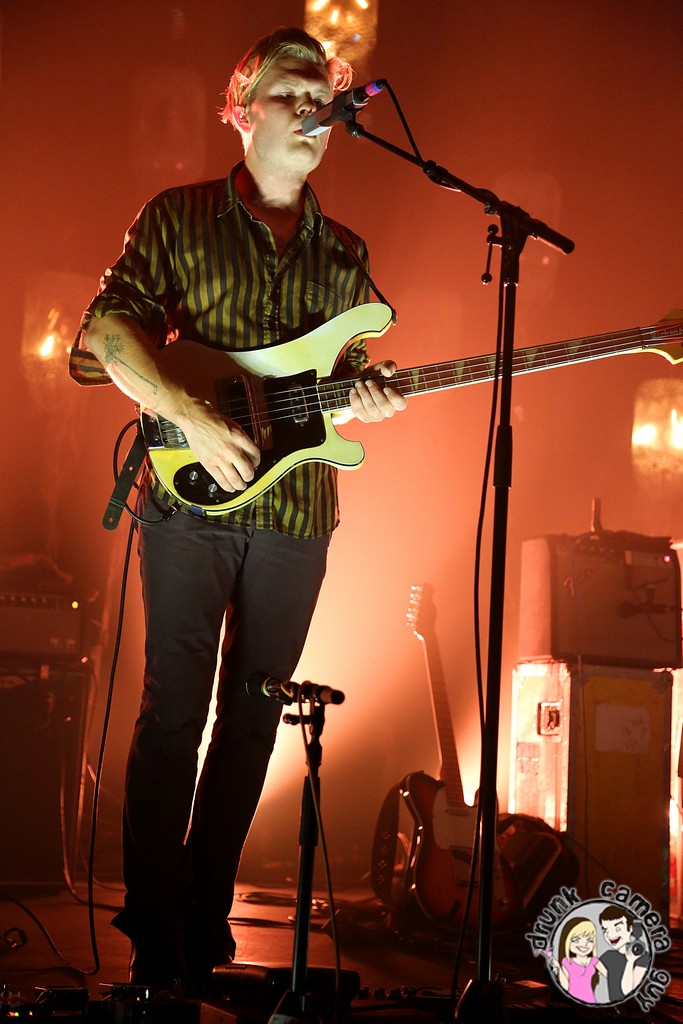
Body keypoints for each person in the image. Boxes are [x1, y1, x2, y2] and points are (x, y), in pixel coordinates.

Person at [69, 27, 406, 990]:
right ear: (243, 110)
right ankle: (152, 934)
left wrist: (367, 394)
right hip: (188, 496)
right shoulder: (177, 217)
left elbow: (339, 382)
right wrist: (190, 416)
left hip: (298, 511)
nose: (312, 111)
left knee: (254, 718)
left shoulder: (346, 253)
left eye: (322, 96)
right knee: (173, 709)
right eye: (291, 92)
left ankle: (204, 922)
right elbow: (100, 338)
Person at [548, 916, 607, 1004]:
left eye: (590, 940)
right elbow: (565, 986)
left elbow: (610, 977)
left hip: (590, 1001)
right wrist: (558, 968)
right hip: (572, 1002)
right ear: (567, 941)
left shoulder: (594, 961)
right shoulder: (566, 962)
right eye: (576, 940)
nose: (584, 944)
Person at [599, 906, 650, 1002]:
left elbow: (627, 991)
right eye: (605, 930)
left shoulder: (642, 957)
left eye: (617, 929)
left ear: (630, 929)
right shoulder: (608, 956)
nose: (610, 935)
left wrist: (630, 961)